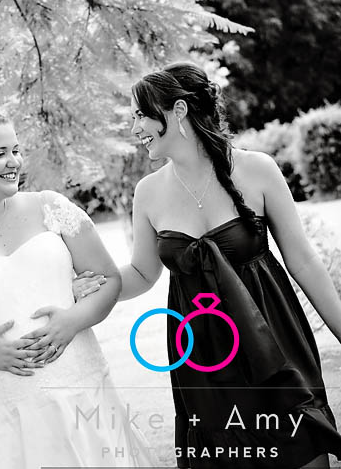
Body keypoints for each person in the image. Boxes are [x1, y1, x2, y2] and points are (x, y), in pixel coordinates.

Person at [114, 62, 341, 467]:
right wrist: (90, 284)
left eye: (141, 115)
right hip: (203, 360)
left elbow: (303, 261)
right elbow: (142, 273)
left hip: (274, 337)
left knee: (302, 449)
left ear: (178, 110)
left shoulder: (257, 169)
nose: (134, 128)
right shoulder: (147, 192)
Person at [0, 110, 156, 468]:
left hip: (78, 389)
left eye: (16, 150)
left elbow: (109, 279)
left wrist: (71, 321)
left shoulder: (51, 207)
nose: (14, 161)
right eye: (0, 153)